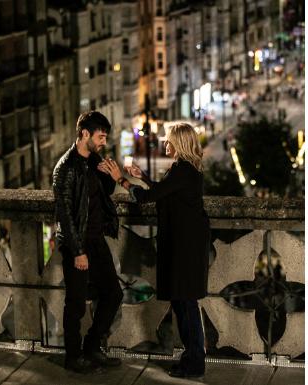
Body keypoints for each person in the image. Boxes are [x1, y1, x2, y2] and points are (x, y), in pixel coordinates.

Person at [104, 123, 209, 378]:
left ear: (179, 143)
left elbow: (148, 198)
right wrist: (143, 178)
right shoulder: (184, 170)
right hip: (187, 245)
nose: (165, 145)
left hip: (185, 248)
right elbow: (165, 194)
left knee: (186, 305)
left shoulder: (183, 171)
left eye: (169, 141)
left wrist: (121, 179)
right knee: (184, 304)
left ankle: (194, 362)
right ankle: (192, 359)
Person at [52, 111, 123, 373]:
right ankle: (73, 357)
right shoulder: (66, 168)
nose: (104, 141)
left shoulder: (93, 159)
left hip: (96, 240)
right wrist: (78, 251)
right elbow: (65, 214)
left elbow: (105, 192)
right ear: (85, 134)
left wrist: (110, 175)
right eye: (100, 136)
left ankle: (92, 347)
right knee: (76, 303)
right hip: (77, 244)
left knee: (114, 294)